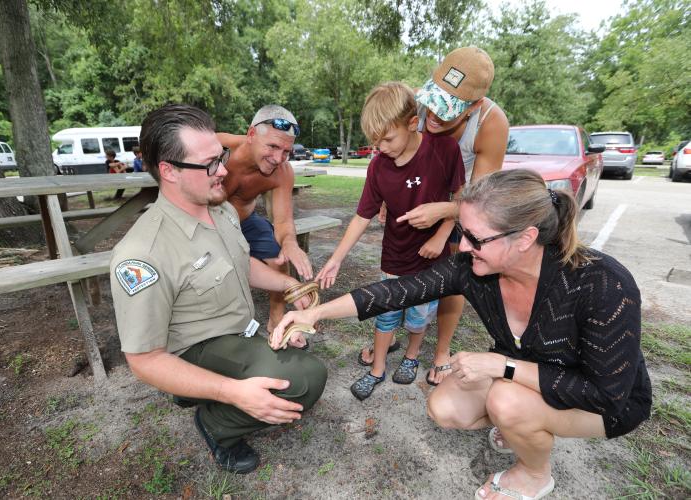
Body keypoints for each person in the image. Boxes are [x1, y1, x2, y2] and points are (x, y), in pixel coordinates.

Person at [271, 169, 652, 499]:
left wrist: (502, 366)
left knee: (506, 400)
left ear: (524, 238)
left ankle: (536, 474)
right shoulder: (473, 267)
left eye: (476, 238)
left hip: (607, 404)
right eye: (461, 232)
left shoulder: (602, 283)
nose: (464, 247)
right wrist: (316, 313)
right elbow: (395, 292)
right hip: (530, 375)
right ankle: (523, 424)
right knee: (445, 407)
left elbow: (606, 393)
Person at [110, 104, 327, 474]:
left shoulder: (220, 209)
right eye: (210, 164)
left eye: (220, 159)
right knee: (305, 380)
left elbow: (240, 262)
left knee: (301, 368)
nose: (224, 171)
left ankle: (218, 389)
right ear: (169, 171)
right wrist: (234, 394)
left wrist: (288, 283)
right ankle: (215, 423)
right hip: (195, 347)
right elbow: (144, 360)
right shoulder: (141, 254)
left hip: (237, 330)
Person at [315, 82, 465, 400]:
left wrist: (441, 235)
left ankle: (411, 357)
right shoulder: (378, 167)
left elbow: (462, 199)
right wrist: (336, 258)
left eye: (387, 139)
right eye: (375, 141)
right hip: (394, 255)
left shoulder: (444, 150)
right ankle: (377, 370)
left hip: (431, 258)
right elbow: (362, 216)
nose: (380, 147)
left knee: (419, 316)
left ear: (412, 124)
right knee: (386, 314)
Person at [396, 46, 511, 385]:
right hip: (421, 190)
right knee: (404, 264)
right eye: (435, 99)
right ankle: (391, 330)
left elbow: (480, 196)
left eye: (449, 109)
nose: (434, 115)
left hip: (466, 199)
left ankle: (441, 351)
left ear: (474, 105)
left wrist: (445, 216)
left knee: (454, 276)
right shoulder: (418, 103)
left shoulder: (491, 123)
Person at [217, 105, 312, 332]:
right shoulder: (217, 148)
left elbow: (282, 222)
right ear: (251, 135)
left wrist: (289, 243)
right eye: (272, 146)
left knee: (279, 257)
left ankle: (276, 320)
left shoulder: (283, 171)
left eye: (286, 151)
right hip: (209, 224)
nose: (279, 158)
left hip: (247, 221)